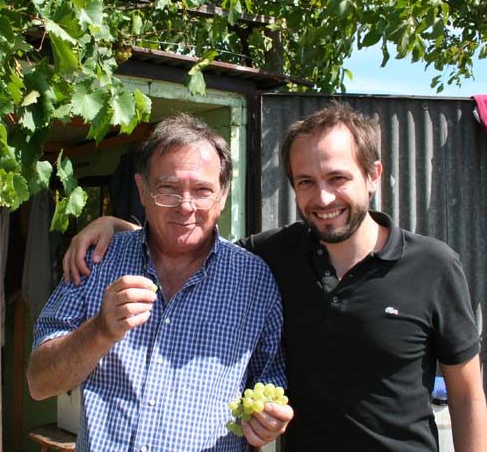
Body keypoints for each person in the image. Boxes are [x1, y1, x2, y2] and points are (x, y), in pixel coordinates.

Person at [61, 102, 487, 451]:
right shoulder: (276, 256)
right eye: (306, 182)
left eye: (338, 178)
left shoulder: (433, 265)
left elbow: (468, 395)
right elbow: (193, 237)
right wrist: (120, 227)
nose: (322, 197)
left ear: (373, 176)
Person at [27, 113, 293, 452]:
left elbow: (269, 382)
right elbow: (39, 382)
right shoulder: (96, 260)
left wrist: (268, 420)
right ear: (141, 189)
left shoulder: (254, 281)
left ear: (223, 195)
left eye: (202, 190)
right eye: (167, 189)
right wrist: (100, 331)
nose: (185, 206)